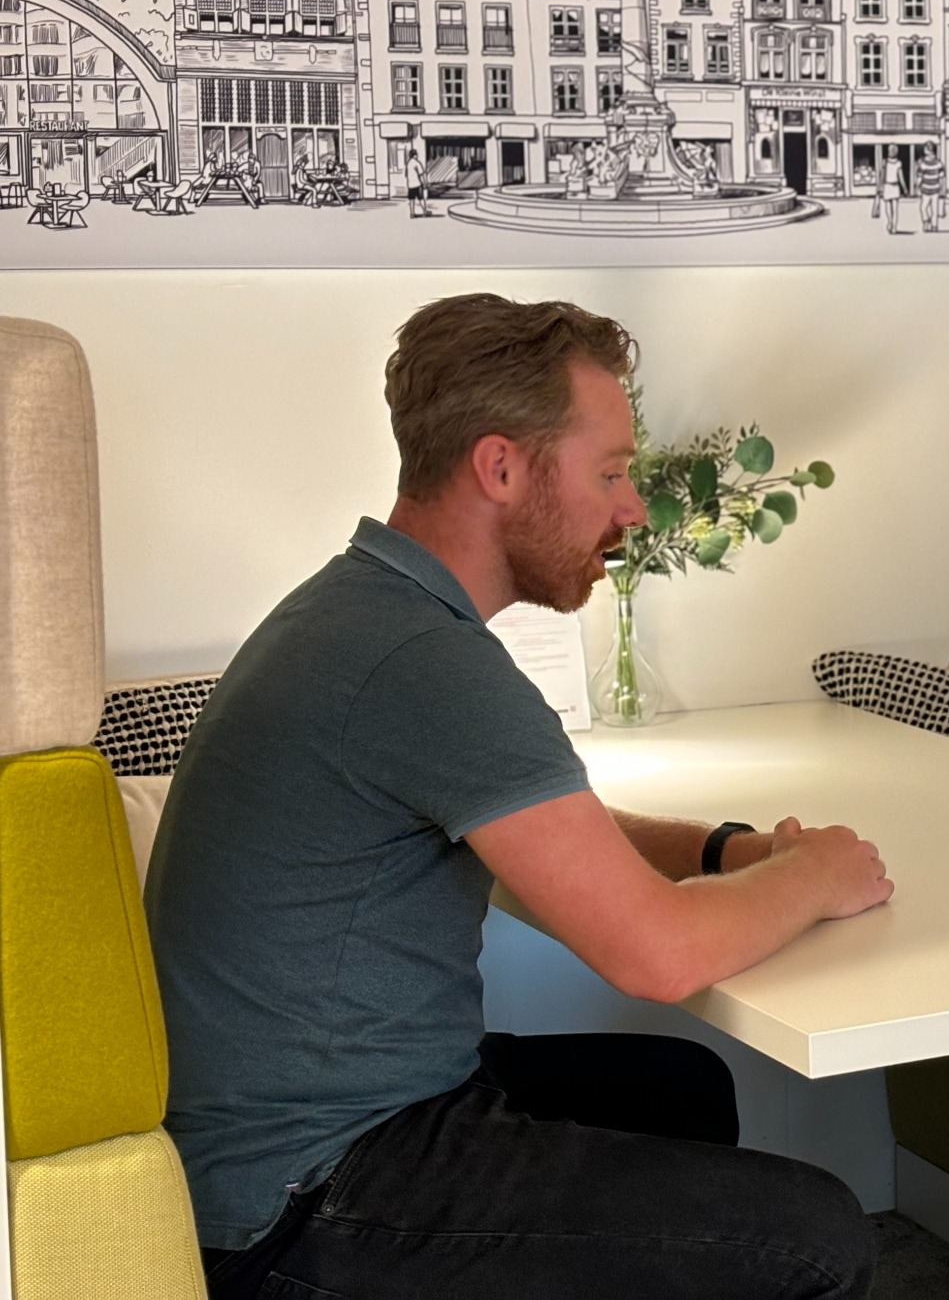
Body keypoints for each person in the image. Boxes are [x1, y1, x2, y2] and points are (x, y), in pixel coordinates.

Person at [147, 295, 892, 1300]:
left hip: (288, 1134)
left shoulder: (359, 606)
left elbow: (541, 839)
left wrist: (727, 852)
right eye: (611, 473)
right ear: (500, 468)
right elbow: (658, 956)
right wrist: (819, 873)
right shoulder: (427, 662)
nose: (633, 510)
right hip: (301, 1196)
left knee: (680, 1091)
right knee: (815, 1238)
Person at [916, 142, 947, 231]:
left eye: (925, 149)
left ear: (927, 150)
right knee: (934, 208)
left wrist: (917, 186)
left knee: (923, 208)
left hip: (926, 189)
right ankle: (934, 226)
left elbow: (920, 177)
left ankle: (927, 221)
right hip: (936, 188)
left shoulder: (923, 163)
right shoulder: (939, 163)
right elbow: (941, 177)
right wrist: (942, 187)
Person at [879, 145, 904, 233]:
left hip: (887, 185)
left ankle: (890, 221)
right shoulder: (898, 163)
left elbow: (882, 175)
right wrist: (904, 187)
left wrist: (880, 186)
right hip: (895, 186)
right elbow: (901, 177)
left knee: (888, 208)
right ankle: (894, 227)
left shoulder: (884, 162)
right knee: (895, 209)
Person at [404, 146, 429, 217]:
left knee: (412, 200)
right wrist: (425, 183)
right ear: (414, 155)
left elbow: (406, 175)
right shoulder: (417, 163)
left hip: (410, 185)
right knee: (420, 199)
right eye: (416, 154)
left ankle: (412, 213)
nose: (417, 156)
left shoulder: (408, 164)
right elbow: (421, 174)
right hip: (417, 184)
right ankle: (424, 211)